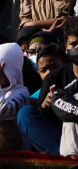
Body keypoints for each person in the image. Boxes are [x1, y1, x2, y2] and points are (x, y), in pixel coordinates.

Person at [18, 18, 78, 154]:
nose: (77, 48)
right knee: (25, 113)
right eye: (73, 44)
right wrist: (45, 105)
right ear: (66, 48)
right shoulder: (54, 77)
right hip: (59, 136)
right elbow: (42, 115)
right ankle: (64, 158)